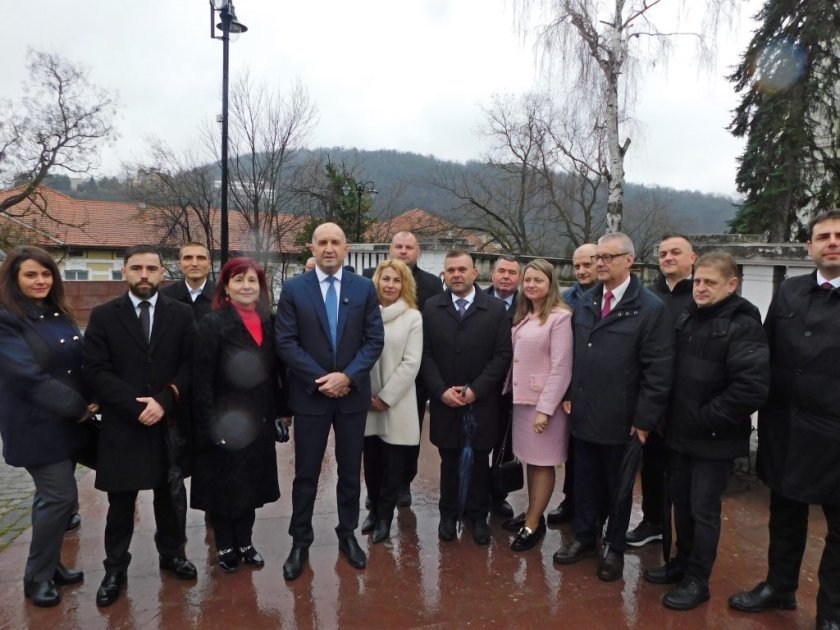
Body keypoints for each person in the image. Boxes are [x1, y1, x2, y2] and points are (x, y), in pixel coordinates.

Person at [728, 210, 840, 630]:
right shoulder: (790, 291)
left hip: (835, 436)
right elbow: (765, 350)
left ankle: (832, 614)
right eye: (823, 236)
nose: (832, 241)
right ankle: (780, 587)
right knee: (785, 516)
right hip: (788, 430)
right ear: (809, 247)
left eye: (838, 235)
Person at [643, 252, 769, 610]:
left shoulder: (743, 325)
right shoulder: (687, 317)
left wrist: (702, 419)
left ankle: (698, 579)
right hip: (680, 435)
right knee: (681, 505)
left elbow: (750, 389)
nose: (700, 287)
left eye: (710, 282)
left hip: (713, 439)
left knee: (703, 510)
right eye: (698, 281)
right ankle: (681, 563)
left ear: (732, 284)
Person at [553, 232, 672, 582]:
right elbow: (575, 355)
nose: (599, 263)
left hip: (624, 421)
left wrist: (645, 419)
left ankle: (615, 548)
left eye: (607, 257)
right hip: (584, 413)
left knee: (618, 489)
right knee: (585, 483)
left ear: (629, 261)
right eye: (597, 258)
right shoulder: (586, 302)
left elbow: (658, 370)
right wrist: (571, 393)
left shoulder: (650, 308)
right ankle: (586, 538)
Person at [83, 244, 197, 607]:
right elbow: (95, 370)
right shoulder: (103, 316)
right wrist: (136, 407)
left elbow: (191, 364)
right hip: (124, 426)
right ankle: (115, 568)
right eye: (137, 268)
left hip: (167, 423)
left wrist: (164, 401)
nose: (144, 275)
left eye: (151, 268)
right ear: (124, 273)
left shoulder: (180, 315)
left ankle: (172, 554)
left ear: (164, 273)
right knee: (121, 504)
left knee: (170, 497)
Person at [275, 222, 384, 581]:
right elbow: (287, 342)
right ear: (312, 246)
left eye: (335, 242)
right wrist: (322, 379)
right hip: (311, 396)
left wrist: (347, 376)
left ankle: (347, 534)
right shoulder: (294, 289)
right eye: (322, 242)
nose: (329, 248)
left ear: (346, 246)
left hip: (352, 397)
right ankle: (300, 541)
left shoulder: (364, 288)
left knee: (350, 471)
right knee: (306, 473)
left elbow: (373, 340)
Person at [0, 246, 95, 607]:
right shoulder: (7, 319)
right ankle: (36, 577)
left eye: (46, 274)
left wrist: (94, 394)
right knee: (60, 497)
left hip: (66, 424)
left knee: (53, 499)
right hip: (35, 426)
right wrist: (78, 406)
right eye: (31, 275)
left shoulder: (57, 313)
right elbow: (27, 377)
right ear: (14, 279)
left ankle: (53, 566)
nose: (41, 281)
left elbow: (76, 362)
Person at [190, 257, 289, 573]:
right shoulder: (212, 323)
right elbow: (201, 380)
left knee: (251, 487)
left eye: (253, 280)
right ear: (226, 288)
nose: (246, 286)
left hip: (258, 421)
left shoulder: (269, 322)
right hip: (224, 421)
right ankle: (226, 546)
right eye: (238, 280)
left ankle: (245, 542)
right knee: (225, 489)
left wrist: (281, 412)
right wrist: (208, 426)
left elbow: (275, 374)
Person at [421, 250, 512, 545]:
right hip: (445, 400)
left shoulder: (495, 309)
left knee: (479, 460)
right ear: (444, 275)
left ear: (475, 273)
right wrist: (440, 390)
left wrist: (476, 389)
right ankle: (448, 514)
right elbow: (425, 355)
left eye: (462, 269)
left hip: (481, 401)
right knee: (448, 458)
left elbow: (502, 356)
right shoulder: (432, 307)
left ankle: (477, 515)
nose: (456, 275)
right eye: (451, 270)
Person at [627, 235, 697, 548]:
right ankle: (652, 520)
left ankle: (686, 539)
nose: (668, 257)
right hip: (651, 398)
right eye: (663, 253)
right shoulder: (646, 297)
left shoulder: (702, 295)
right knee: (652, 466)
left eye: (675, 252)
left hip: (688, 401)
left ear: (692, 257)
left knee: (685, 477)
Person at [364, 231, 442, 506]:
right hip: (373, 377)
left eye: (409, 247)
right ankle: (376, 491)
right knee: (373, 441)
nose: (404, 251)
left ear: (417, 251)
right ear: (390, 249)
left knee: (407, 436)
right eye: (399, 246)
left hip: (413, 378)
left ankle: (403, 484)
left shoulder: (432, 284)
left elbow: (432, 330)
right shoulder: (369, 278)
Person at [502, 259, 573, 552]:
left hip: (544, 404)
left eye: (538, 280)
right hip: (522, 402)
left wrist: (545, 408)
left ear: (550, 284)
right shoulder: (527, 314)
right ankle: (534, 512)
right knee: (531, 461)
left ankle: (532, 523)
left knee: (543, 463)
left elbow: (561, 367)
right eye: (528, 280)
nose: (531, 285)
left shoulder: (559, 317)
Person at [362, 259, 423, 543]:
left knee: (392, 466)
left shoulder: (412, 317)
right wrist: (366, 395)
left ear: (404, 285)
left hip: (396, 404)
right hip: (366, 402)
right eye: (385, 279)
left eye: (396, 280)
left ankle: (385, 518)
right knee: (372, 464)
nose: (390, 285)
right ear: (377, 281)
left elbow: (411, 363)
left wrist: (385, 398)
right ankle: (373, 511)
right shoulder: (365, 313)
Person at [548, 242, 597, 526]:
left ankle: (590, 510)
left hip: (596, 386)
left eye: (587, 264)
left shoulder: (604, 299)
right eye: (577, 265)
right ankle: (571, 499)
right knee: (572, 449)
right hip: (569, 385)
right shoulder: (566, 298)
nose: (581, 270)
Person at [485, 254, 522, 519]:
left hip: (511, 387)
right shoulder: (477, 300)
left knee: (504, 444)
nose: (506, 276)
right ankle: (474, 492)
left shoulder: (528, 306)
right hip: (478, 384)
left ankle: (498, 496)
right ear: (491, 274)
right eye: (502, 271)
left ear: (519, 278)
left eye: (512, 272)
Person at [160, 242, 216, 320]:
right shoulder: (163, 296)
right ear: (179, 265)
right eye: (188, 258)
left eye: (201, 258)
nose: (194, 264)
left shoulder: (224, 296)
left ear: (210, 265)